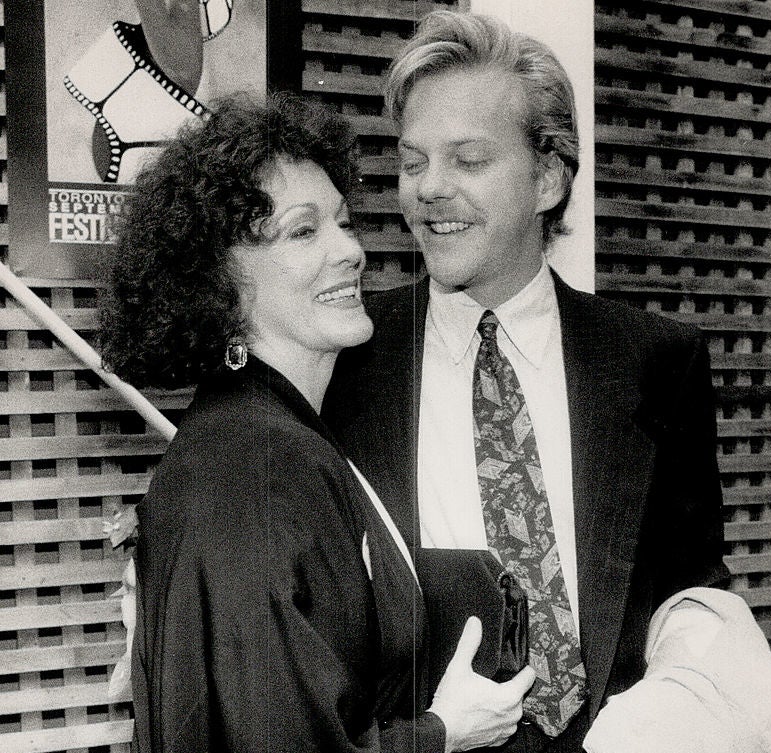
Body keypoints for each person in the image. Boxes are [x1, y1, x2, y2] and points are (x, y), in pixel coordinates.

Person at [322, 10, 728, 751]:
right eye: (412, 163)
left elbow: (692, 585)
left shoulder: (656, 359)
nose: (427, 191)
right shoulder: (344, 363)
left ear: (546, 177)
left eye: (467, 161)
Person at [98, 93, 533, 753]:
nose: (350, 250)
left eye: (343, 221)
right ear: (219, 282)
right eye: (304, 231)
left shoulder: (275, 437)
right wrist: (444, 732)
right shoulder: (253, 467)